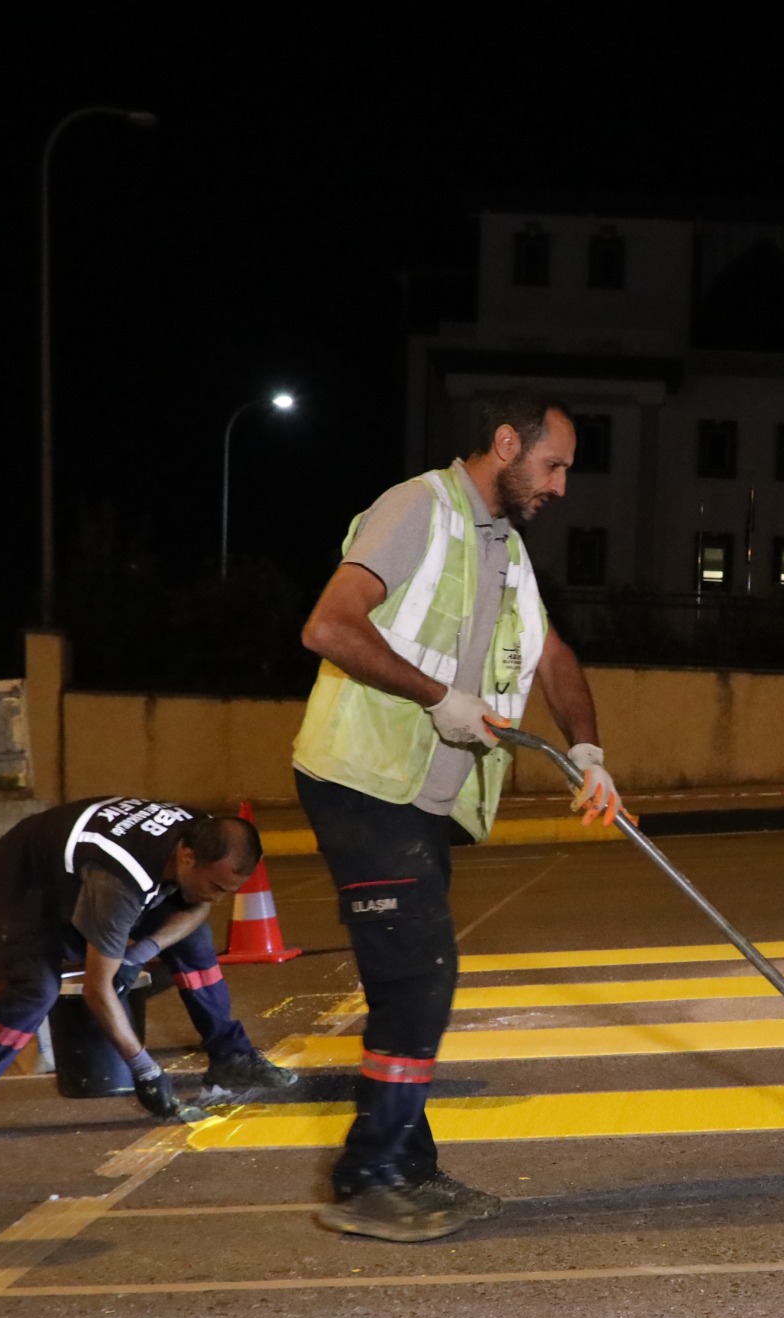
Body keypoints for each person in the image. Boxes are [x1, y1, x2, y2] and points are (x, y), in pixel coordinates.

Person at [291, 387, 624, 1243]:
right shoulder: (416, 509)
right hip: (365, 779)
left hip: (422, 798)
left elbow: (552, 657)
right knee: (419, 978)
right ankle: (368, 1176)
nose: (560, 486)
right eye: (553, 465)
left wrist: (588, 751)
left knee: (413, 978)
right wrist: (440, 697)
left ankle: (405, 1165)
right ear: (506, 444)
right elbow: (328, 628)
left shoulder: (504, 546)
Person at [0, 796, 301, 1150]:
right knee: (36, 989)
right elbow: (97, 990)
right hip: (24, 879)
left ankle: (230, 1056)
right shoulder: (120, 882)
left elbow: (198, 907)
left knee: (194, 939)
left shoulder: (200, 831)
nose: (218, 898)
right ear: (186, 857)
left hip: (90, 866)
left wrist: (140, 953)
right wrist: (145, 1069)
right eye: (216, 886)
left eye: (227, 891)